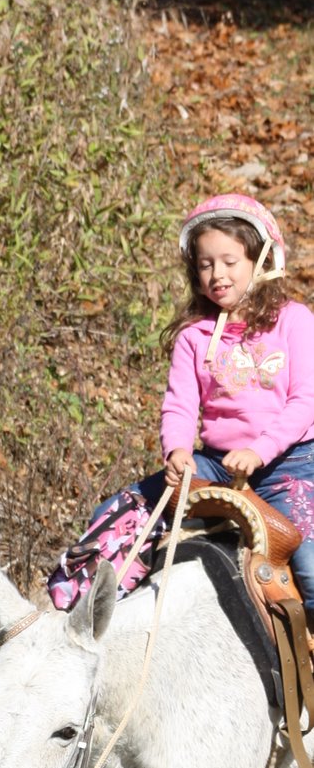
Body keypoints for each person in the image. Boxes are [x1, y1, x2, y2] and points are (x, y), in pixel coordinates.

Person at [49, 193, 314, 611]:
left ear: (261, 260)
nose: (217, 274)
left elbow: (305, 403)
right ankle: (78, 619)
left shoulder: (295, 320)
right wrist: (176, 451)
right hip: (217, 463)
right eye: (206, 265)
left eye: (229, 261)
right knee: (117, 516)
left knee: (310, 565)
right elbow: (179, 404)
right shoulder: (194, 336)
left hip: (290, 465)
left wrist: (259, 450)